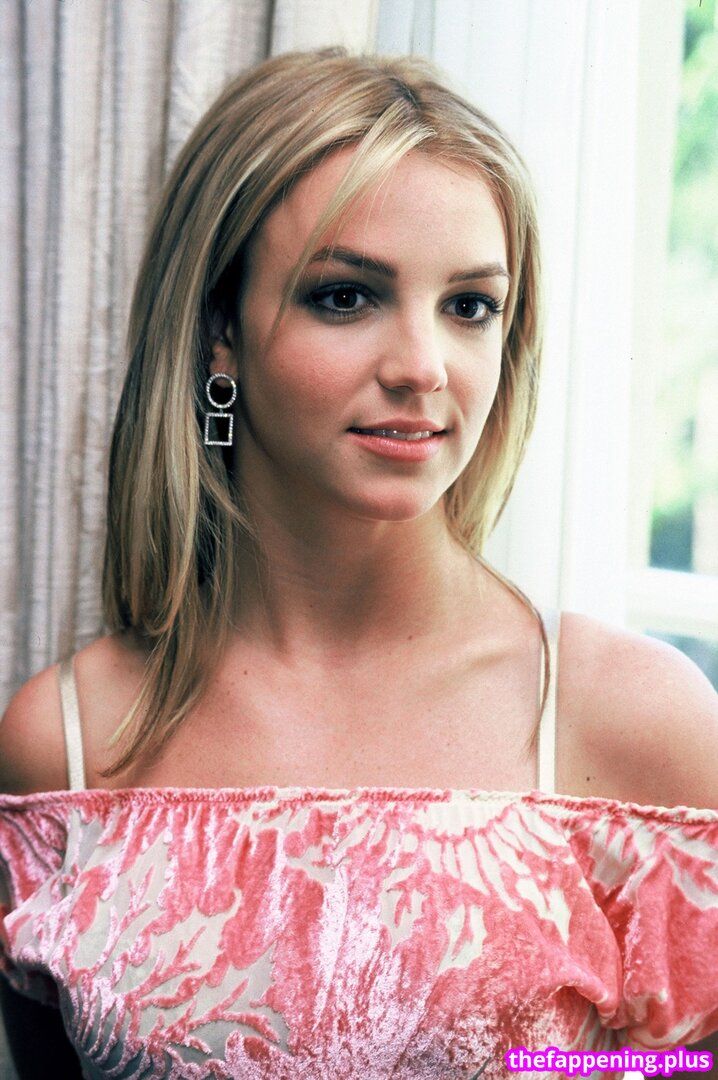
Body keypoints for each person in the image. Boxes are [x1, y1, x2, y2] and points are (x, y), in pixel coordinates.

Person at [0, 47, 717, 1080]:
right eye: (346, 297)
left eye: (469, 305)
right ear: (218, 333)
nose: (422, 366)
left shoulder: (635, 728)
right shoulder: (62, 748)